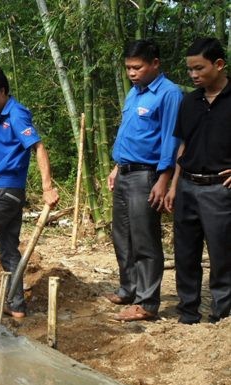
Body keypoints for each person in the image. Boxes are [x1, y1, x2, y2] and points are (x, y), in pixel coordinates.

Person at [0, 66, 59, 318]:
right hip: (10, 192)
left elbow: (37, 146)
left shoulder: (15, 114)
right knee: (8, 249)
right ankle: (16, 306)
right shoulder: (4, 115)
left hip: (5, 191)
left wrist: (48, 187)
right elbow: (11, 142)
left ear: (2, 91)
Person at [104, 40, 183, 322]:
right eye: (127, 68)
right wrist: (116, 167)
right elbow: (129, 134)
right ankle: (128, 289)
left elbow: (171, 139)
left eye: (137, 67)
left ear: (155, 64)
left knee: (144, 240)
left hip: (146, 175)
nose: (131, 73)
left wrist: (164, 178)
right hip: (124, 172)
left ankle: (147, 303)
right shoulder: (134, 94)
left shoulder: (169, 93)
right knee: (122, 236)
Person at [164, 37, 231, 324]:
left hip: (220, 189)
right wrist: (174, 185)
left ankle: (223, 313)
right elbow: (183, 145)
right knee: (186, 253)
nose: (193, 75)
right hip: (188, 186)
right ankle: (188, 311)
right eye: (190, 69)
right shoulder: (189, 101)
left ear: (219, 65)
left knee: (222, 254)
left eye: (199, 68)